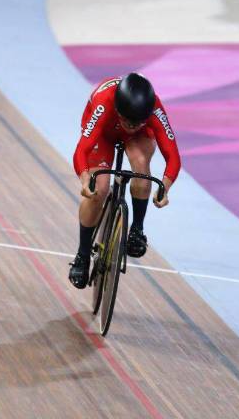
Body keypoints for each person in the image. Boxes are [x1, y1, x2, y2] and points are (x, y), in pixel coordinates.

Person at [69, 73, 181, 289]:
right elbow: (81, 151)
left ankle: (137, 229)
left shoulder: (154, 109)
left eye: (137, 122)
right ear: (119, 111)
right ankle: (82, 255)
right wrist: (85, 180)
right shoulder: (104, 103)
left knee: (140, 164)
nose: (131, 126)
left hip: (138, 137)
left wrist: (165, 187)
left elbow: (173, 156)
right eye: (128, 121)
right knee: (98, 189)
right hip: (104, 131)